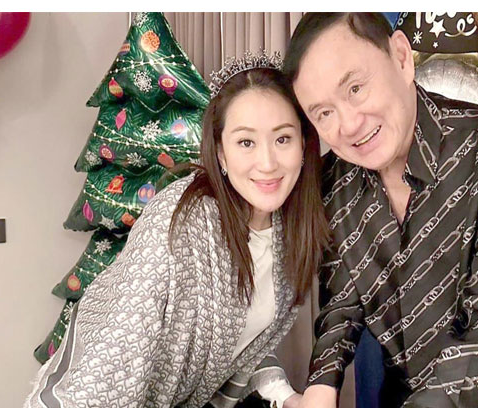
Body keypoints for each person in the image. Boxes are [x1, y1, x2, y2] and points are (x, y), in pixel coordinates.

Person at [24, 52, 329, 408]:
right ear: (221, 154)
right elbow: (117, 350)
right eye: (246, 142)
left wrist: (286, 396)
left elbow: (238, 338)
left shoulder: (291, 230)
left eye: (283, 139)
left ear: (303, 144)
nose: (267, 163)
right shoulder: (178, 222)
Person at [283, 13, 478, 408]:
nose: (349, 124)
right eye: (323, 113)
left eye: (356, 88)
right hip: (405, 389)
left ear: (400, 57)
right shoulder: (333, 182)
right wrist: (321, 387)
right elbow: (342, 302)